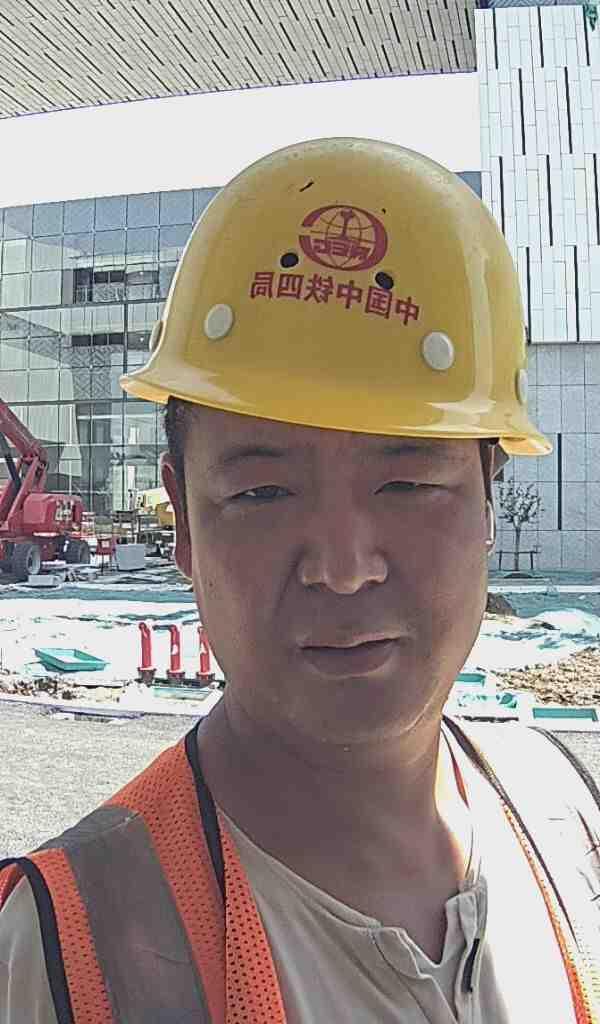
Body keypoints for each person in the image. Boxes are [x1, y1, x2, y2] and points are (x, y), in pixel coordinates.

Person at [1, 138, 599, 1023]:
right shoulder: (69, 949)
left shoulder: (567, 821)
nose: (344, 569)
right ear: (184, 520)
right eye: (263, 493)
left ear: (487, 497)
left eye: (408, 483)